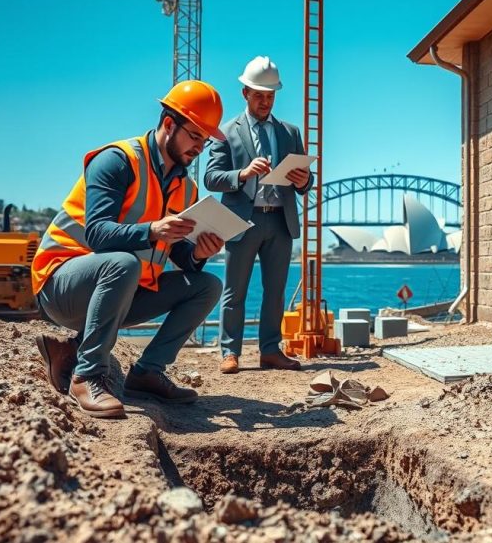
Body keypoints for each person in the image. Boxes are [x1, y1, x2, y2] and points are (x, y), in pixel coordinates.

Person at [31, 80, 227, 419]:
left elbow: (179, 258)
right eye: (195, 136)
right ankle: (87, 374)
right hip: (60, 284)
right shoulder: (117, 160)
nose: (199, 146)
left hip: (120, 291)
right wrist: (152, 230)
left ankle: (147, 372)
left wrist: (199, 252)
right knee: (122, 264)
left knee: (207, 285)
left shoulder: (186, 189)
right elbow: (97, 233)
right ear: (169, 124)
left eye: (205, 140)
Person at [204, 56, 313, 374]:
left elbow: (305, 178)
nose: (265, 101)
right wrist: (242, 173)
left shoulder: (290, 132)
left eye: (270, 95)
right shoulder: (226, 133)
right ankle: (229, 352)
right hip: (242, 221)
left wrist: (305, 180)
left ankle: (270, 350)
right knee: (234, 290)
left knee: (275, 291)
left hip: (280, 220)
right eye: (259, 95)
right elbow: (211, 177)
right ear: (245, 93)